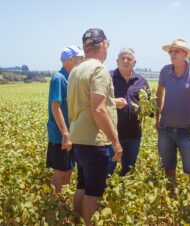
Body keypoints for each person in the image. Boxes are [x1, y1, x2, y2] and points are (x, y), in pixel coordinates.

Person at [67, 28, 123, 225]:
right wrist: (115, 142)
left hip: (79, 139)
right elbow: (98, 110)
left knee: (81, 185)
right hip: (95, 141)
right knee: (94, 192)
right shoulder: (99, 69)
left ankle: (75, 220)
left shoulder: (76, 69)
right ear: (103, 45)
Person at [156, 39, 190, 192]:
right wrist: (158, 118)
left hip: (188, 132)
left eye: (177, 51)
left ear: (186, 54)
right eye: (171, 51)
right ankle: (171, 196)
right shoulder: (165, 71)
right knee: (168, 166)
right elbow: (159, 95)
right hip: (165, 130)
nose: (172, 54)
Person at [46, 45, 84, 193]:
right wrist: (65, 134)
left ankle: (63, 200)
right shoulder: (59, 78)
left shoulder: (71, 78)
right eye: (79, 59)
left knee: (69, 169)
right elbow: (55, 108)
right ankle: (55, 204)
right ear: (70, 60)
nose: (81, 62)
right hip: (61, 135)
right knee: (61, 171)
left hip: (71, 133)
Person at [108, 48, 150, 176]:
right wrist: (114, 102)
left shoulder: (142, 81)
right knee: (107, 170)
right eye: (122, 58)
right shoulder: (108, 78)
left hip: (133, 134)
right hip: (111, 134)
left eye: (129, 59)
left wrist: (148, 109)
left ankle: (121, 193)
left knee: (128, 170)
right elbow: (97, 102)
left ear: (134, 62)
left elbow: (149, 108)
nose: (125, 61)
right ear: (117, 61)